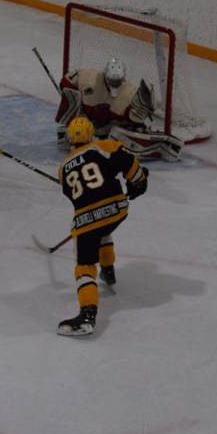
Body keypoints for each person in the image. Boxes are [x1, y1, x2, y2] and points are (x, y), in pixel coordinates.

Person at [56, 117, 149, 336]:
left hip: (86, 221)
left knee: (84, 267)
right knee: (104, 228)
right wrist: (139, 181)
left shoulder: (62, 169)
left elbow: (73, 193)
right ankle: (108, 270)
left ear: (70, 138)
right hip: (117, 210)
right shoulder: (105, 146)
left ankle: (87, 315)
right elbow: (129, 163)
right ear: (91, 133)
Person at [54, 58, 183, 161]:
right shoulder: (88, 78)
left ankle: (156, 146)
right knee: (81, 126)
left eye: (118, 81)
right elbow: (66, 81)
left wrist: (136, 122)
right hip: (90, 125)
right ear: (105, 75)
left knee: (118, 133)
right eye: (112, 80)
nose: (114, 84)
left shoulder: (130, 92)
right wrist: (69, 97)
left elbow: (133, 121)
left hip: (109, 130)